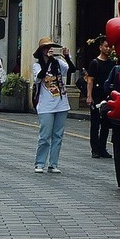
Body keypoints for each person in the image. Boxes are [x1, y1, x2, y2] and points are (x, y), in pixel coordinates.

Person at [31, 37, 71, 173]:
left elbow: (71, 70)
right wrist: (48, 62)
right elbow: (40, 76)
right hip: (46, 105)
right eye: (46, 48)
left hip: (61, 104)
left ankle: (53, 163)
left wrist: (66, 56)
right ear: (41, 51)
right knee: (44, 136)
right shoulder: (37, 65)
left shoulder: (58, 63)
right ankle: (40, 163)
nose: (49, 50)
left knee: (58, 135)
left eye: (50, 47)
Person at [86, 39, 118, 159]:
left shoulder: (112, 64)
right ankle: (95, 149)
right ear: (100, 47)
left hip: (107, 95)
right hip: (96, 95)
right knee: (95, 123)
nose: (108, 49)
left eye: (109, 47)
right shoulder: (95, 63)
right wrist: (89, 96)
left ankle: (102, 147)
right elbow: (90, 80)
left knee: (105, 123)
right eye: (105, 46)